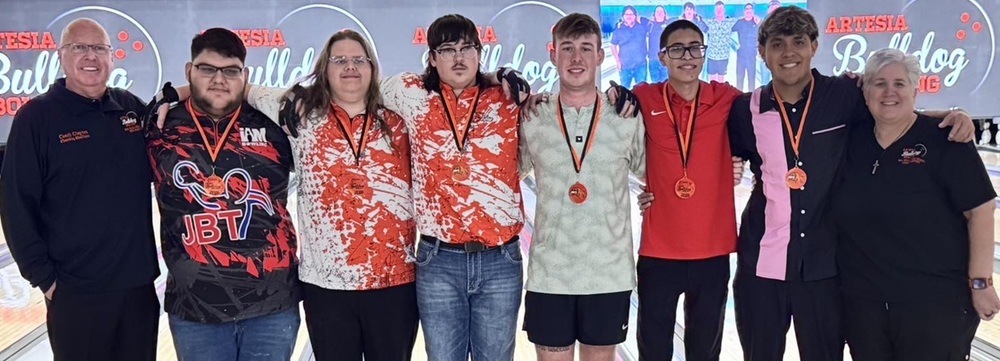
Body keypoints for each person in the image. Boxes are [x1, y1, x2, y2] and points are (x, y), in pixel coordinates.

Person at [726, 6, 976, 361]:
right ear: (762, 53)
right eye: (777, 44)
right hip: (761, 264)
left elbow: (892, 109)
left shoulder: (844, 96)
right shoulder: (743, 110)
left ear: (814, 46)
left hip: (825, 266)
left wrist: (952, 114)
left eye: (799, 42)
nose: (789, 53)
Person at [245, 29, 419, 361]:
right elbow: (242, 88)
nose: (350, 67)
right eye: (340, 60)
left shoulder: (401, 118)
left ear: (372, 67)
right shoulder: (299, 113)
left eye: (358, 60)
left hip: (393, 284)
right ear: (325, 69)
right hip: (325, 288)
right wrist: (175, 93)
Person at [0, 18, 160, 361]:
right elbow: (15, 204)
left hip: (137, 287)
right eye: (80, 47)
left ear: (112, 57)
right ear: (61, 55)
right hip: (75, 291)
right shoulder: (36, 117)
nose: (91, 57)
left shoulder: (129, 107)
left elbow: (173, 132)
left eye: (99, 48)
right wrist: (44, 278)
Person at [833, 48, 1000, 361]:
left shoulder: (944, 141)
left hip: (934, 305)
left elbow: (980, 209)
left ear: (915, 89)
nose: (889, 92)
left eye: (899, 83)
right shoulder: (850, 141)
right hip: (864, 307)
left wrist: (981, 282)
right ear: (865, 91)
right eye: (879, 83)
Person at [146, 28, 300, 360]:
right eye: (207, 69)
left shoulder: (273, 124)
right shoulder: (160, 127)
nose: (219, 79)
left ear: (244, 76)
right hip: (194, 309)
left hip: (272, 305)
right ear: (189, 71)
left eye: (230, 70)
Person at [379, 14, 525, 361]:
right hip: (438, 260)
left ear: (479, 52)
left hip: (500, 260)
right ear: (431, 58)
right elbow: (357, 87)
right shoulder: (410, 95)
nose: (459, 58)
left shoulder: (507, 99)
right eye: (447, 49)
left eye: (467, 48)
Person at [519, 13, 645, 361]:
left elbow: (659, 174)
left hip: (608, 276)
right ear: (552, 53)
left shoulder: (626, 116)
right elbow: (501, 173)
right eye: (568, 48)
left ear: (601, 56)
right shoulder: (532, 117)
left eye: (586, 48)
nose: (576, 59)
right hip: (550, 277)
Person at [632, 19, 744, 361]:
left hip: (712, 249)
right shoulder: (642, 97)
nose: (688, 56)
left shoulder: (728, 99)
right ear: (662, 57)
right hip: (658, 249)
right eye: (677, 49)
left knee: (704, 350)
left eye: (695, 47)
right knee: (653, 348)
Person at [611, 5, 649, 89]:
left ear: (635, 16)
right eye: (626, 14)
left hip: (640, 65)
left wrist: (642, 20)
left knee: (642, 91)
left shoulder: (642, 27)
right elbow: (613, 45)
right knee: (625, 91)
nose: (629, 16)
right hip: (625, 66)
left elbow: (654, 24)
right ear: (623, 16)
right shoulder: (618, 29)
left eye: (631, 14)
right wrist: (618, 61)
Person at [705, 1, 739, 82]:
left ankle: (720, 94)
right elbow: (697, 21)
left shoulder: (730, 22)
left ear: (724, 10)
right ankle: (712, 94)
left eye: (721, 9)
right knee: (712, 81)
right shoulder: (710, 22)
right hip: (711, 56)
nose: (719, 11)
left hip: (724, 57)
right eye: (717, 9)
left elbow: (744, 19)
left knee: (721, 81)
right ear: (714, 11)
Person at [731, 3, 760, 91]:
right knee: (739, 77)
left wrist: (759, 23)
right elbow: (730, 31)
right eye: (746, 9)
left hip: (752, 54)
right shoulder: (739, 22)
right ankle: (739, 97)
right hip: (741, 54)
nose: (748, 11)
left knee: (752, 78)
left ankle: (752, 98)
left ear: (753, 11)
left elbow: (763, 33)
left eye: (750, 9)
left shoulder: (757, 22)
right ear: (744, 11)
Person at [646, 6, 674, 83]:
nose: (659, 13)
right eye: (657, 12)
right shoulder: (650, 25)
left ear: (665, 14)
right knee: (655, 85)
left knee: (666, 84)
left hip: (666, 59)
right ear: (654, 14)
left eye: (661, 12)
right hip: (653, 59)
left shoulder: (669, 24)